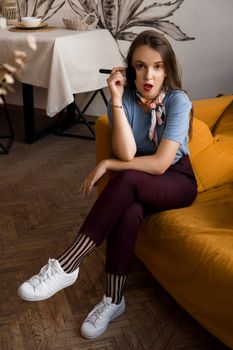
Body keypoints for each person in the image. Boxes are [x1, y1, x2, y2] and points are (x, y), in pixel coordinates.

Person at [17, 30, 197, 339]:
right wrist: (115, 99)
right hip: (138, 179)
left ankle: (67, 265)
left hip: (176, 180)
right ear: (130, 69)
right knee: (128, 212)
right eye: (140, 66)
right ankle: (114, 300)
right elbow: (128, 152)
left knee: (125, 178)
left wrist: (108, 163)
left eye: (156, 66)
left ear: (167, 70)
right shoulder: (125, 98)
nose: (148, 75)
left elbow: (160, 164)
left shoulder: (179, 101)